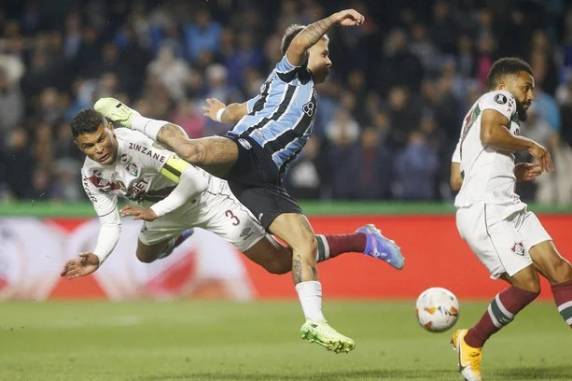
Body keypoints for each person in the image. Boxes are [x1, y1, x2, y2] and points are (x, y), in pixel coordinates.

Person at [93, 8, 404, 353]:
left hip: (266, 180)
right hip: (245, 150)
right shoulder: (290, 74)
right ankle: (131, 118)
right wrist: (333, 19)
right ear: (305, 51)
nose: (329, 60)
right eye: (324, 51)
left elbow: (245, 108)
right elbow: (300, 40)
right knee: (191, 154)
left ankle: (329, 300)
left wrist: (223, 113)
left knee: (295, 253)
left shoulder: (296, 93)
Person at [60, 109, 402, 352]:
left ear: (109, 129)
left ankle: (363, 238)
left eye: (102, 138)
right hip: (163, 210)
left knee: (280, 264)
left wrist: (155, 211)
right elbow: (109, 221)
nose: (99, 149)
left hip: (206, 197)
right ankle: (177, 235)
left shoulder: (136, 144)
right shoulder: (92, 175)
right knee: (145, 255)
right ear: (80, 148)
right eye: (89, 146)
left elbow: (192, 179)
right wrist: (98, 256)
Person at [449, 57, 572, 381]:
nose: (530, 95)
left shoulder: (468, 124)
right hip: (487, 211)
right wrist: (531, 144)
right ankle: (471, 343)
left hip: (507, 206)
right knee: (528, 286)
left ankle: (469, 340)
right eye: (525, 86)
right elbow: (491, 134)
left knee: (561, 270)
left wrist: (510, 170)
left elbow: (457, 179)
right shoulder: (497, 99)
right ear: (503, 85)